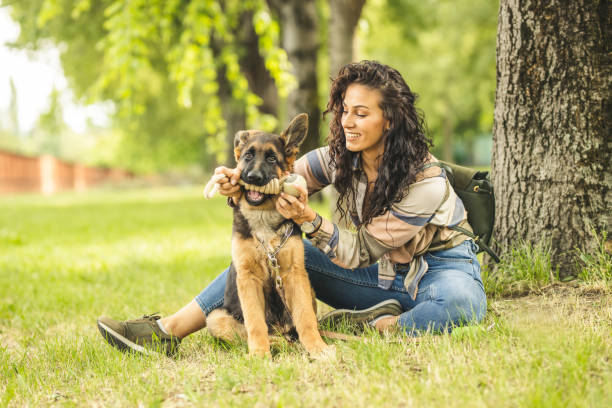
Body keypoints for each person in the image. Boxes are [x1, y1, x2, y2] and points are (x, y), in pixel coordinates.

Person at [97, 61, 486, 356]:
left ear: (390, 120)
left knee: (461, 305)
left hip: (440, 268)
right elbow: (279, 178)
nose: (347, 122)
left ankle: (375, 326)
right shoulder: (339, 157)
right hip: (379, 277)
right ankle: (168, 330)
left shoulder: (425, 181)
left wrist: (309, 220)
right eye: (344, 110)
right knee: (256, 256)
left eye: (361, 113)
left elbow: (357, 250)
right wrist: (239, 181)